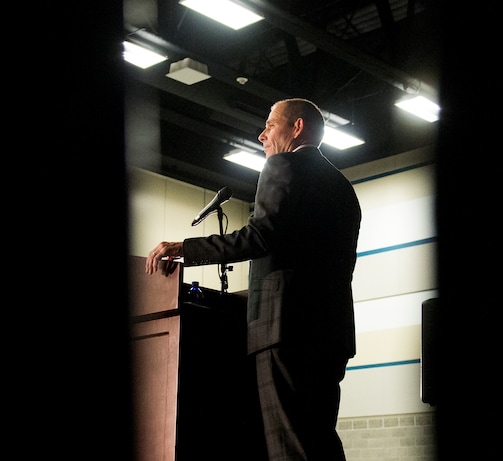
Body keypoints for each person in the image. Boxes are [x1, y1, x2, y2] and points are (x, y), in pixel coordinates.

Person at [145, 98, 362, 461]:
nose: (262, 135)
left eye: (270, 124)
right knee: (319, 441)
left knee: (289, 447)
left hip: (285, 331)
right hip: (331, 335)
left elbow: (259, 237)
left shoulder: (283, 164)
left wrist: (185, 248)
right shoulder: (343, 189)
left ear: (297, 128)